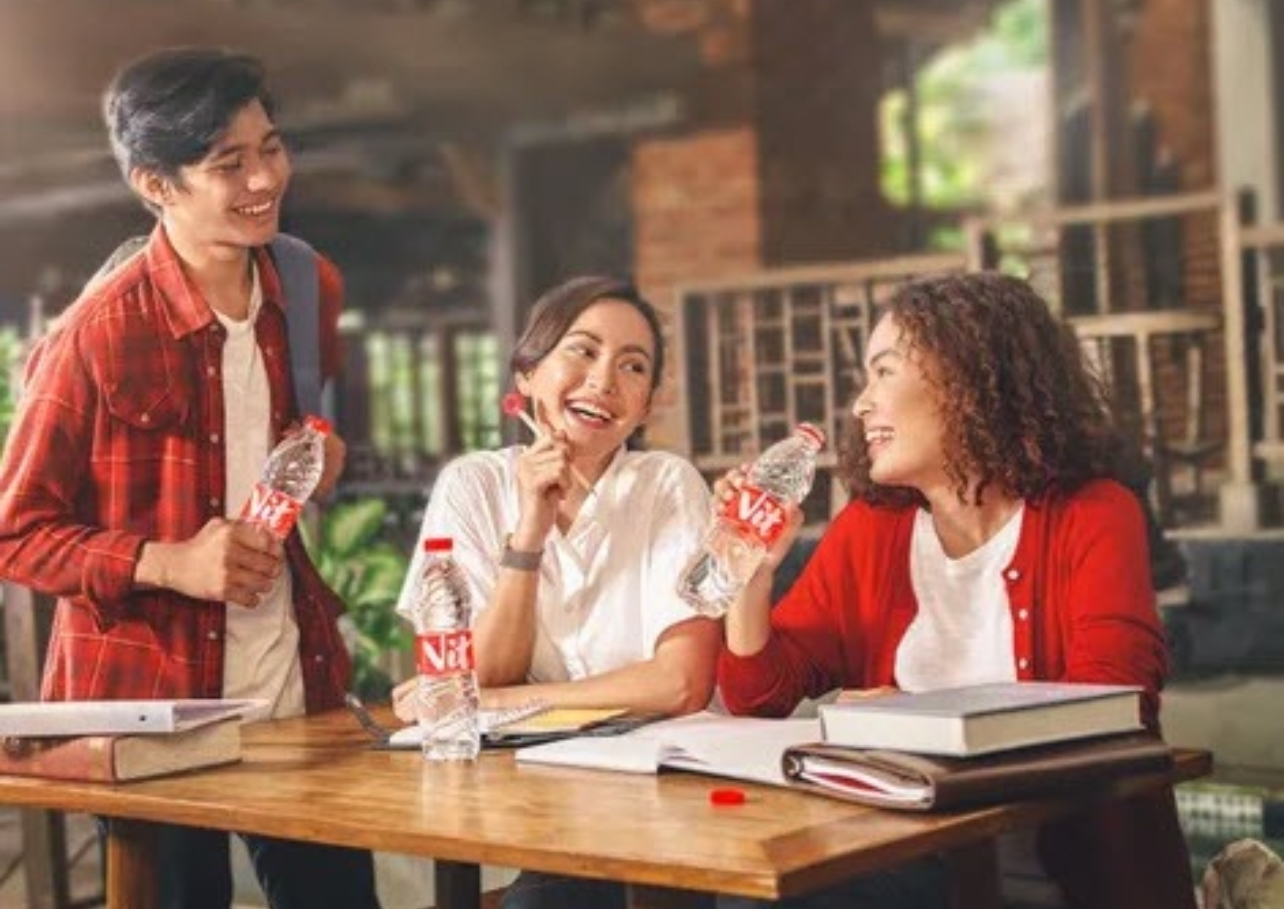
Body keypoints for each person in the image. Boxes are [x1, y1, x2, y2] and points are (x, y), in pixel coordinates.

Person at [0, 48, 380, 909]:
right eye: (228, 163)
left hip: (291, 688)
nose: (263, 179)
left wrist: (314, 453)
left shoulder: (302, 281)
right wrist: (170, 562)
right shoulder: (93, 334)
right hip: (151, 718)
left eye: (270, 147)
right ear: (155, 184)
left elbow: (294, 418)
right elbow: (14, 531)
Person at [714, 273, 1195, 909]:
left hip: (1063, 889)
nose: (861, 404)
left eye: (884, 372)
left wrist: (907, 721)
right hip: (906, 869)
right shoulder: (872, 529)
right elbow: (757, 695)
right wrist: (751, 576)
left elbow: (1112, 705)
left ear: (966, 377)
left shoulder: (1094, 514)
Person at [392, 275, 720, 909]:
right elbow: (472, 676)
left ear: (647, 405)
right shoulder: (472, 486)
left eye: (633, 366)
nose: (603, 380)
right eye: (583, 350)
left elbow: (680, 684)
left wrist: (504, 702)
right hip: (549, 798)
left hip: (676, 797)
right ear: (527, 375)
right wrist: (527, 537)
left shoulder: (668, 485)